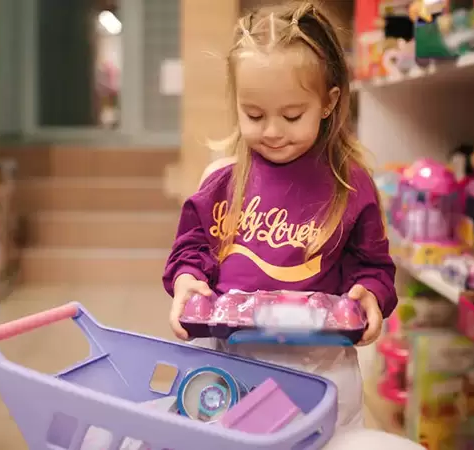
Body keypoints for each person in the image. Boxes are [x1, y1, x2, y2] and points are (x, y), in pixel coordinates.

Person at [162, 2, 416, 447]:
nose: (273, 131)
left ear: (328, 102)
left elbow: (372, 265)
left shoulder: (349, 185)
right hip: (230, 360)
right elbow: (192, 249)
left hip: (319, 367)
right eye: (254, 115)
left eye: (292, 115)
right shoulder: (222, 180)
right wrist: (187, 281)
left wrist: (370, 294)